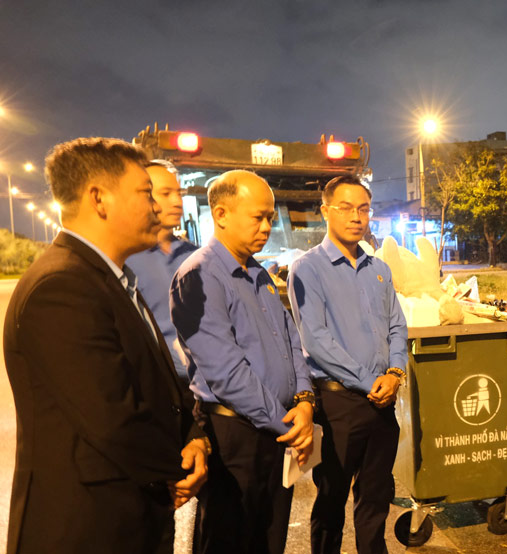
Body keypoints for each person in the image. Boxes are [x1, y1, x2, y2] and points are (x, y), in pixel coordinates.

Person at [3, 137, 209, 554]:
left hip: (128, 515)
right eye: (145, 193)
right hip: (86, 528)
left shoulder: (113, 279)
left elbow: (157, 385)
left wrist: (194, 437)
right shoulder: (62, 287)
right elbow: (113, 418)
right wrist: (179, 466)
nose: (156, 207)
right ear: (99, 199)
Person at [170, 170, 315, 554]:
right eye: (258, 217)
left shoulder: (259, 273)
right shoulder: (199, 276)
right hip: (234, 436)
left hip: (275, 430)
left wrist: (304, 401)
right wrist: (287, 423)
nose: (268, 226)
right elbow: (226, 373)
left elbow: (291, 342)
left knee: (269, 538)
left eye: (270, 216)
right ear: (220, 214)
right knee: (229, 539)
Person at [288, 175, 407, 554]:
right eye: (346, 208)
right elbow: (316, 341)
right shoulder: (308, 269)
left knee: (375, 497)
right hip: (339, 405)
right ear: (325, 211)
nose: (357, 217)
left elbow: (397, 325)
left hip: (382, 401)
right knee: (331, 500)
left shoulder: (379, 269)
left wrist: (395, 373)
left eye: (364, 209)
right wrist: (372, 380)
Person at [126, 159, 198, 378]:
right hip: (161, 386)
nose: (177, 202)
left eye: (180, 193)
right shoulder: (126, 260)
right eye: (166, 194)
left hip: (209, 387)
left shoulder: (195, 256)